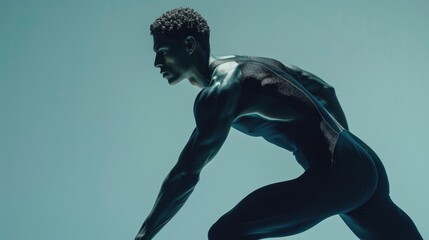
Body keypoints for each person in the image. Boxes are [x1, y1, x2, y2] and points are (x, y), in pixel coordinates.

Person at [135, 7, 422, 240]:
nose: (156, 63)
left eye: (162, 52)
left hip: (340, 173)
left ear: (189, 44)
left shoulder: (221, 91)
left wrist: (145, 234)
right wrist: (347, 153)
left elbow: (186, 173)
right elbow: (324, 90)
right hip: (361, 159)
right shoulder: (252, 63)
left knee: (226, 233)